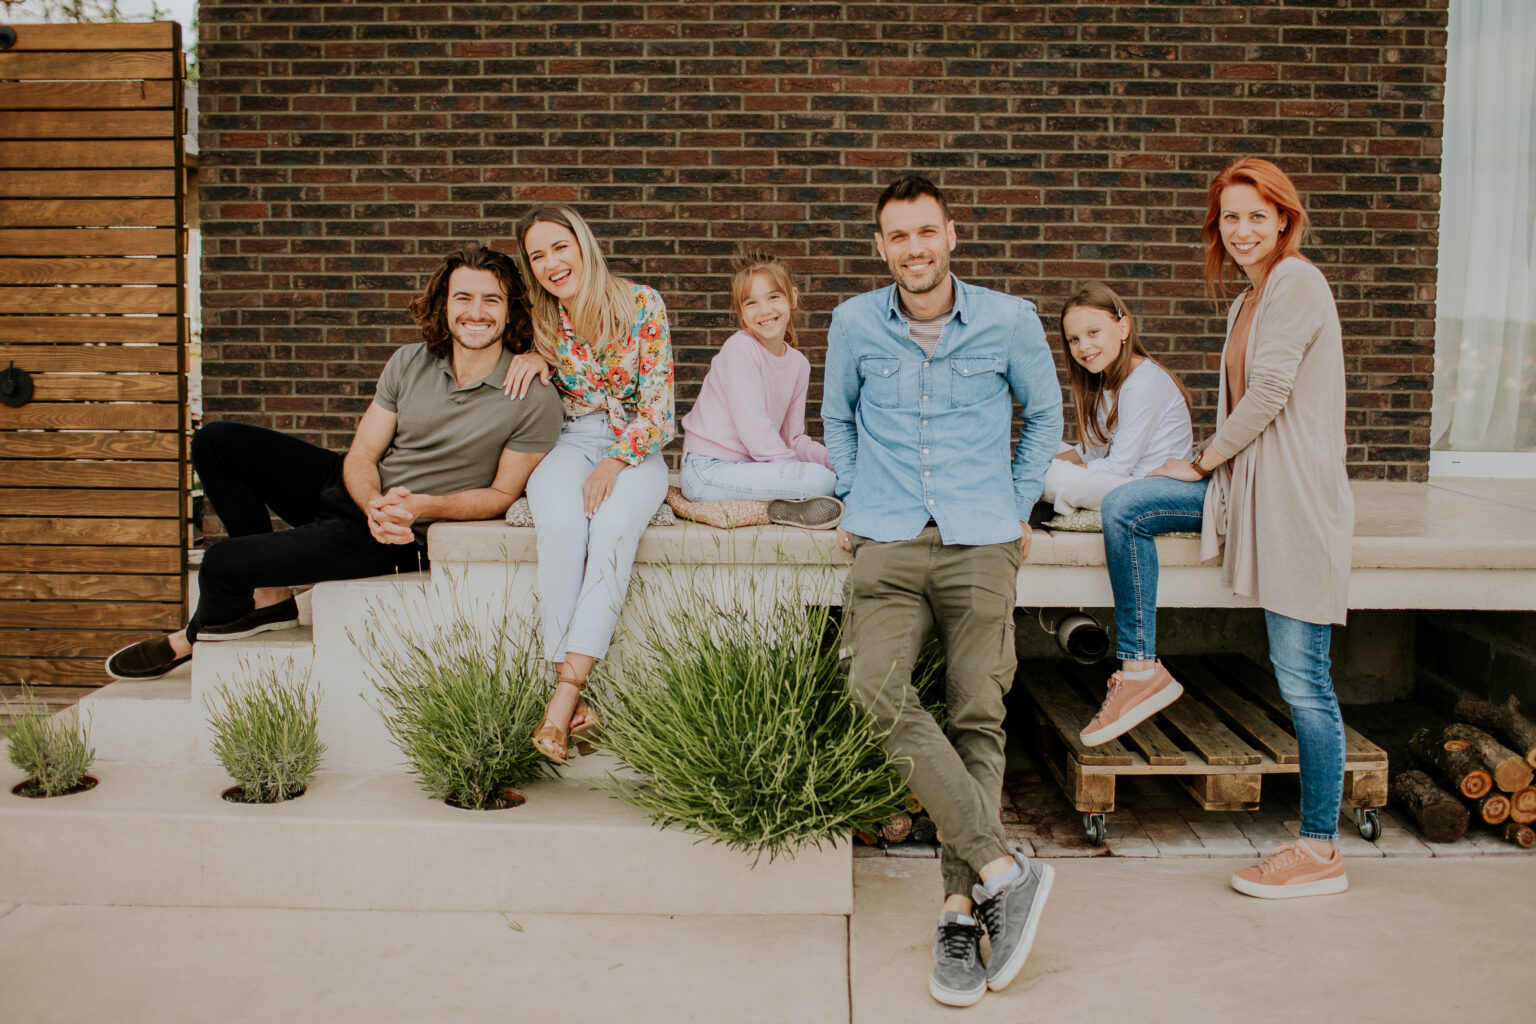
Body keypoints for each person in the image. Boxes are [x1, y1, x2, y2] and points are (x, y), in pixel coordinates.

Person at [1082, 157, 1355, 900]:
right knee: (1129, 507)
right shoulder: (1245, 302)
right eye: (1230, 217)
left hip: (1293, 501)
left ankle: (1319, 847)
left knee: (1303, 681)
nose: (1242, 230)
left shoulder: (1297, 282)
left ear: (1284, 220)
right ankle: (1141, 669)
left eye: (1256, 216)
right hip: (1245, 488)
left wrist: (1202, 459)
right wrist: (1202, 466)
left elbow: (1268, 391)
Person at [821, 174, 1063, 1007]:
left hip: (981, 539)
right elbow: (840, 417)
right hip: (886, 539)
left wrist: (1016, 501)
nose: (914, 249)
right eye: (898, 236)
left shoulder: (1009, 320)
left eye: (927, 232)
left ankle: (961, 913)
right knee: (873, 687)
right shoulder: (854, 323)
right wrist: (852, 497)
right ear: (880, 245)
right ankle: (1005, 867)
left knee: (976, 713)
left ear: (952, 235)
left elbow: (1047, 416)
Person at [105, 245, 563, 680]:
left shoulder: (532, 395)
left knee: (221, 565)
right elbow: (363, 452)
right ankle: (269, 595)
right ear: (445, 304)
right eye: (463, 297)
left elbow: (502, 495)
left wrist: (416, 507)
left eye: (492, 300)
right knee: (217, 441)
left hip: (403, 534)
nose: (476, 312)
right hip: (358, 494)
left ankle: (188, 638)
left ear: (511, 310)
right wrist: (371, 502)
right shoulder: (411, 361)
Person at [504, 205, 674, 765]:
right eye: (538, 256)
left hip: (637, 447)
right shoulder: (544, 318)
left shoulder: (642, 303)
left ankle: (563, 699)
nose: (552, 263)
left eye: (559, 246)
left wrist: (616, 463)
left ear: (583, 244)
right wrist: (533, 356)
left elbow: (658, 409)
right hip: (573, 438)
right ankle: (575, 702)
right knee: (558, 522)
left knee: (612, 526)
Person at [678, 251, 842, 528]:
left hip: (752, 471)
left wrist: (833, 460)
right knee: (821, 481)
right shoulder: (740, 348)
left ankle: (780, 505)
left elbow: (793, 439)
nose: (764, 310)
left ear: (792, 297)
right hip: (707, 471)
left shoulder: (799, 365)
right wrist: (798, 472)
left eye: (773, 297)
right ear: (742, 314)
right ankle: (783, 502)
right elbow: (754, 430)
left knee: (835, 474)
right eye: (751, 303)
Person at [1041, 281, 1192, 515]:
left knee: (1049, 476)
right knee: (1043, 452)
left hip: (1148, 488)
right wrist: (1041, 463)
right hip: (1127, 477)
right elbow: (1092, 448)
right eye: (1074, 339)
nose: (1084, 347)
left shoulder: (1141, 384)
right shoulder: (1109, 380)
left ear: (1123, 328)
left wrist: (1047, 471)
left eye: (1093, 332)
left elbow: (1118, 467)